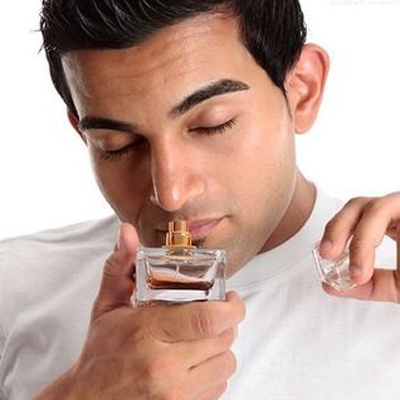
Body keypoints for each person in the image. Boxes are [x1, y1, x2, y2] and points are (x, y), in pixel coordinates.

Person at [0, 0, 399, 399]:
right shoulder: (14, 285)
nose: (170, 194)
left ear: (302, 91)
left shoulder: (390, 297)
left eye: (213, 125)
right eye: (117, 144)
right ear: (82, 134)